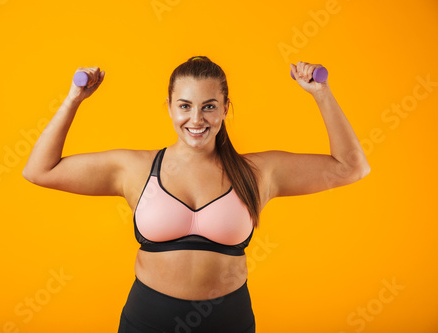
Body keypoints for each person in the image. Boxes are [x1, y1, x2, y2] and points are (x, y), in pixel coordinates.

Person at [22, 56, 370, 332]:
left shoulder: (259, 172)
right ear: (170, 107)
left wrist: (322, 93)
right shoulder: (134, 168)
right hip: (147, 322)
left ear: (225, 108)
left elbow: (350, 168)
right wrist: (74, 99)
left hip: (229, 323)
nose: (196, 119)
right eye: (185, 106)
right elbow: (40, 170)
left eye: (209, 106)